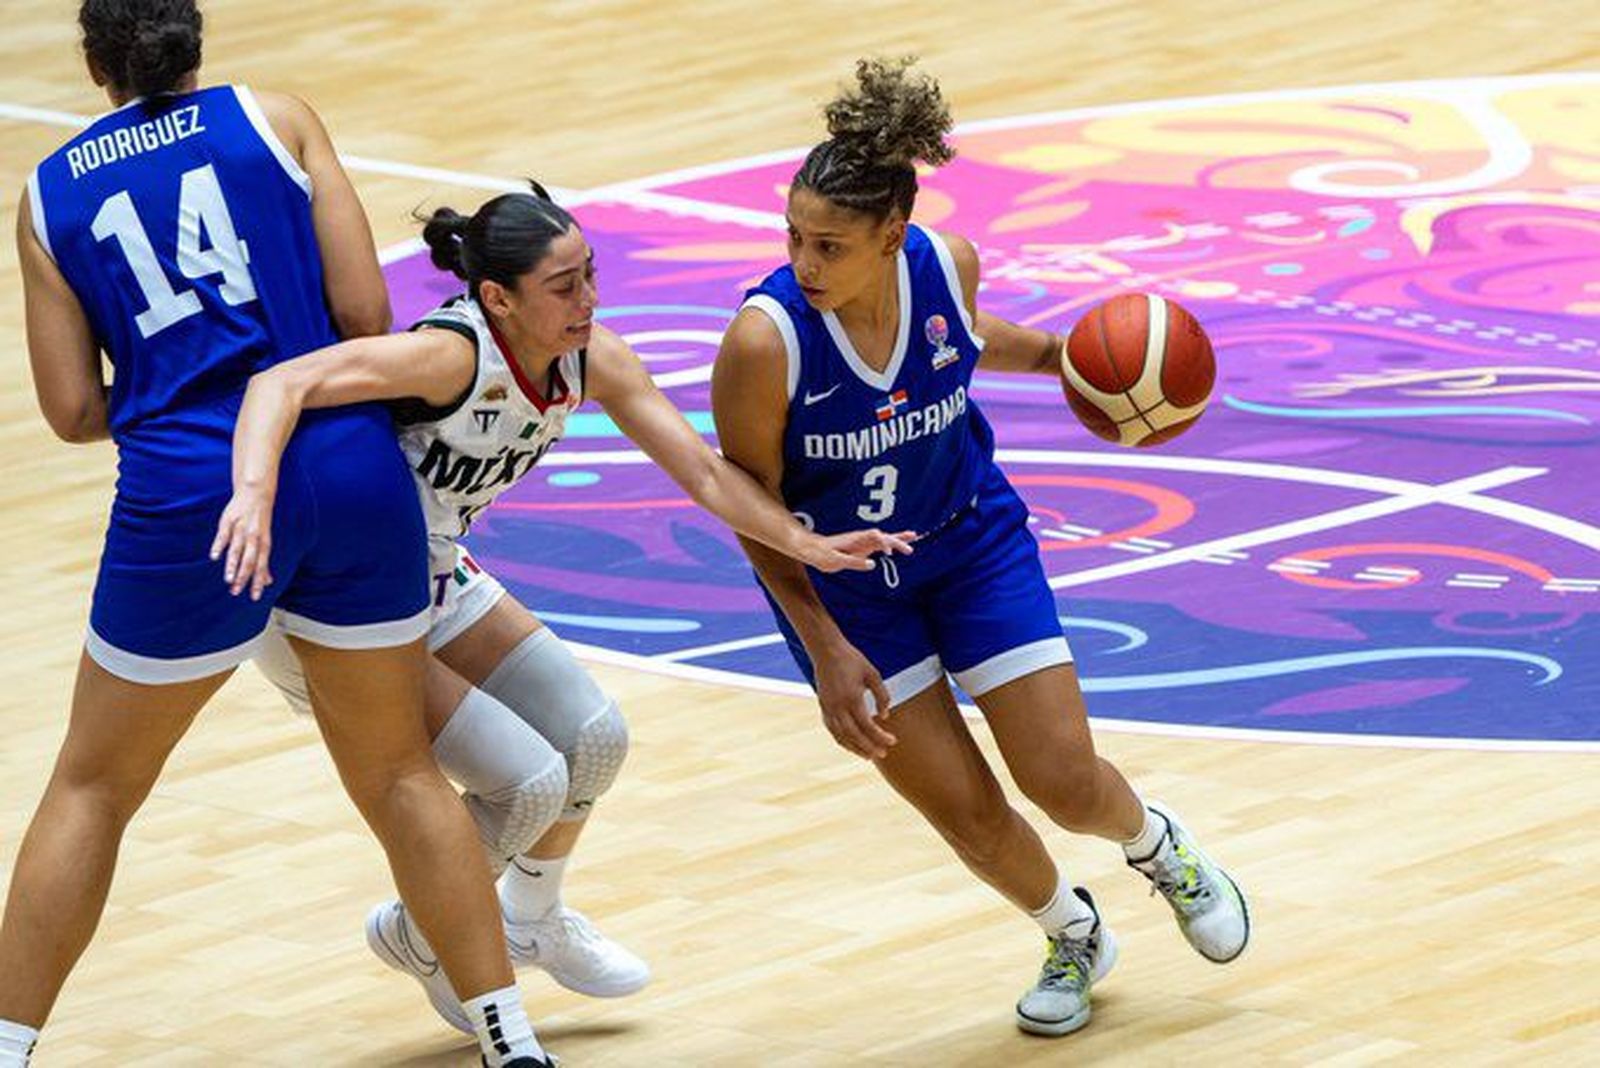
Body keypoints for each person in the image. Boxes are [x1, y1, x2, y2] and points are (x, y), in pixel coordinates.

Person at [212, 183, 915, 1032]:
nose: (588, 299)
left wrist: (807, 543)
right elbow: (280, 383)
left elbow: (702, 472)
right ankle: (432, 934)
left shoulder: (590, 357)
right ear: (499, 298)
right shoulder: (449, 358)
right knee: (528, 785)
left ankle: (526, 919)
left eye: (590, 275)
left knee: (593, 738)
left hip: (431, 574)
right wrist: (251, 494)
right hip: (337, 605)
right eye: (563, 286)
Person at [2, 3, 552, 1065]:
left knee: (93, 786)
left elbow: (69, 410)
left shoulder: (47, 195)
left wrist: (172, 392)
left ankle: (9, 1047)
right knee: (400, 774)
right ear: (194, 40)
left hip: (188, 496)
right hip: (346, 469)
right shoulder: (280, 120)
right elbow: (364, 315)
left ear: (93, 62)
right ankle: (509, 1035)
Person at [710, 57, 1251, 1038]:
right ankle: (1072, 932)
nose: (804, 263)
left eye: (829, 245)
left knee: (1061, 780)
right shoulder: (765, 342)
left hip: (970, 545)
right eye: (792, 237)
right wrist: (824, 649)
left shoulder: (946, 264)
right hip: (849, 596)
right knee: (965, 811)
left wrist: (1062, 361)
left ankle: (1159, 849)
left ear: (893, 237)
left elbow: (956, 333)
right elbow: (751, 505)